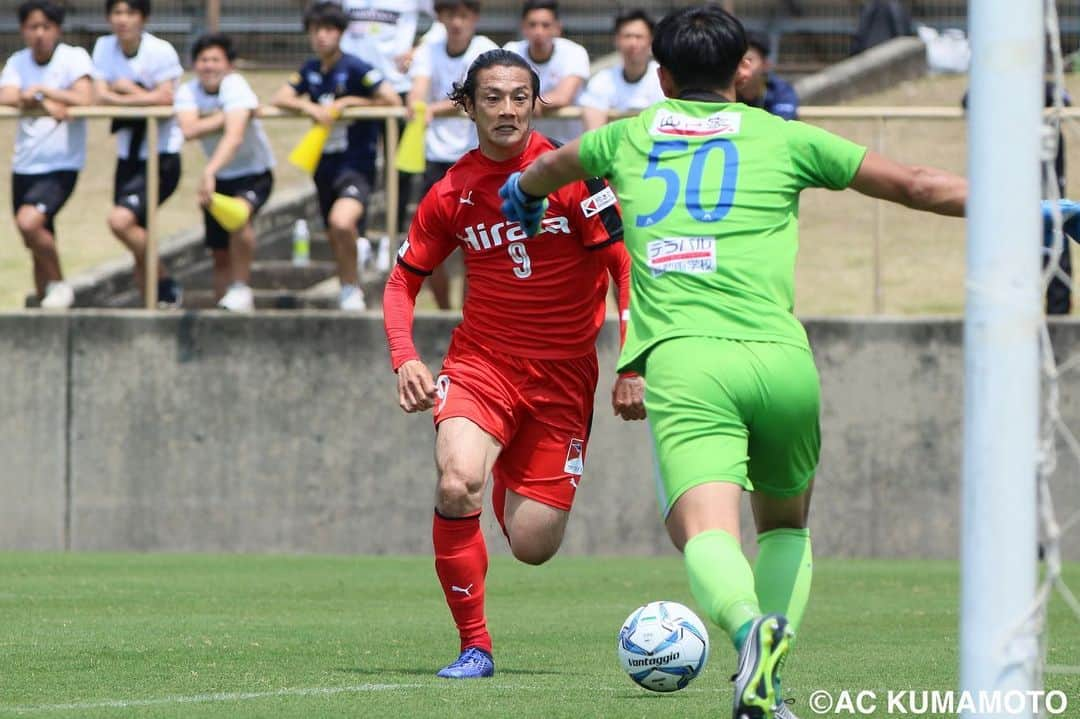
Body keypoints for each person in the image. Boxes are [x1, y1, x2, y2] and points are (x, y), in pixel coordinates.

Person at [500, 6, 967, 718]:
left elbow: (541, 172)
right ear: (742, 70)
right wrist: (1035, 209)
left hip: (690, 366)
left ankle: (751, 632)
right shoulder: (786, 136)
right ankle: (767, 682)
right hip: (783, 362)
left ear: (660, 77)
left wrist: (523, 199)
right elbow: (920, 184)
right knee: (784, 527)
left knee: (706, 532)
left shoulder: (628, 135)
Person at [383, 49, 642, 680]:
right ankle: (475, 646)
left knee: (532, 546)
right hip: (482, 366)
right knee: (455, 482)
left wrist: (633, 363)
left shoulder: (574, 175)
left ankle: (507, 472)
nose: (507, 109)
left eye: (520, 97)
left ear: (537, 103)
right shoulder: (451, 192)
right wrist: (405, 358)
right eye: (492, 97)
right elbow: (402, 282)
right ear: (467, 106)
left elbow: (625, 270)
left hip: (563, 377)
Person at [272, 1, 402, 312]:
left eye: (328, 30)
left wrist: (349, 102)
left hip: (356, 162)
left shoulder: (356, 67)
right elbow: (281, 96)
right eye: (316, 30)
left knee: (341, 222)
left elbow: (391, 99)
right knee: (333, 231)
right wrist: (309, 107)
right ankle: (349, 285)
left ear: (341, 33)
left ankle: (352, 285)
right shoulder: (311, 70)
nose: (322, 37)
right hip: (324, 163)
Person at [335, 0, 441, 272]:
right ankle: (359, 239)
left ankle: (390, 237)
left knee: (399, 169)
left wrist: (419, 49)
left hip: (398, 89)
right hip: (357, 91)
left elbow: (444, 17)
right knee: (358, 162)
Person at [0, 0, 93, 310]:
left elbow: (84, 97)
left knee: (30, 224)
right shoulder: (17, 61)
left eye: (45, 27)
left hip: (60, 164)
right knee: (34, 240)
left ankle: (60, 283)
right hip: (25, 164)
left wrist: (43, 92)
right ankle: (45, 304)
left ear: (57, 29)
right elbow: (9, 95)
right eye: (32, 27)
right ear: (23, 31)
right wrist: (38, 100)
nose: (39, 34)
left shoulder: (73, 58)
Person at [406, 0, 497, 309]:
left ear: (474, 18)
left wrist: (431, 107)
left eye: (463, 15)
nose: (457, 22)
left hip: (477, 158)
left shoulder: (485, 51)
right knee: (429, 243)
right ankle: (446, 312)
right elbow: (418, 89)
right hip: (436, 159)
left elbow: (476, 94)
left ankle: (469, 315)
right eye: (450, 15)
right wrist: (418, 104)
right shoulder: (429, 49)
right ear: (440, 18)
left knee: (479, 242)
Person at [175, 33, 275, 312]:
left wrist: (209, 171)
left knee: (239, 218)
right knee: (219, 252)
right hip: (219, 178)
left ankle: (242, 288)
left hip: (253, 173)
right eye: (203, 60)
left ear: (229, 65)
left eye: (215, 60)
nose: (209, 66)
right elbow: (188, 129)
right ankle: (221, 310)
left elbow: (235, 136)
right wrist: (228, 115)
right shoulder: (188, 90)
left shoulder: (235, 84)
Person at [93, 0, 184, 307]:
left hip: (161, 155)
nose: (123, 20)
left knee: (121, 222)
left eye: (130, 13)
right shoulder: (104, 48)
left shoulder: (160, 51)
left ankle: (165, 281)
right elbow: (99, 95)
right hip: (127, 156)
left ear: (143, 17)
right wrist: (145, 96)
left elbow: (167, 100)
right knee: (136, 234)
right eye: (117, 13)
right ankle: (152, 307)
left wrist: (127, 91)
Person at [503, 0, 590, 144]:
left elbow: (563, 96)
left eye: (545, 25)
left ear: (557, 28)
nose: (538, 31)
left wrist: (530, 101)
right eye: (532, 25)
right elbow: (505, 92)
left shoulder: (575, 52)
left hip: (565, 145)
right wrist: (533, 102)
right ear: (523, 27)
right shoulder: (511, 51)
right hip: (523, 146)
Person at [580, 9, 664, 132]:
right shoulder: (601, 80)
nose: (633, 43)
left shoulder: (663, 77)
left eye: (639, 36)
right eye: (627, 36)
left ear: (651, 41)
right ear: (616, 40)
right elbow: (594, 134)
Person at [736, 31, 798, 121]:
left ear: (766, 65)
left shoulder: (780, 91)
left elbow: (782, 125)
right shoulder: (726, 88)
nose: (741, 67)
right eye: (738, 60)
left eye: (748, 60)